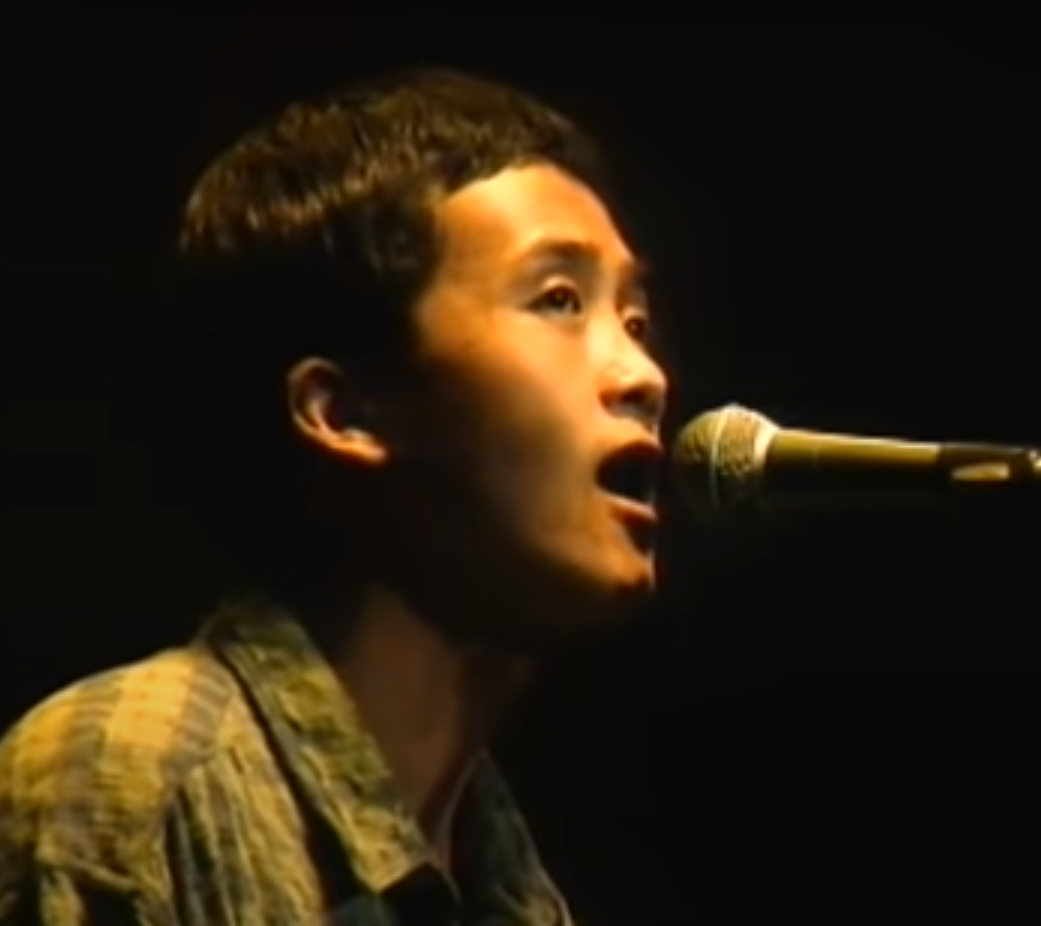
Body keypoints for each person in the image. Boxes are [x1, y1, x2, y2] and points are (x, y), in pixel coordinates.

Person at [0, 69, 669, 925]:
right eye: (559, 301)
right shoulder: (129, 782)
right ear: (344, 412)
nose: (642, 374)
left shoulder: (507, 887)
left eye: (635, 321)